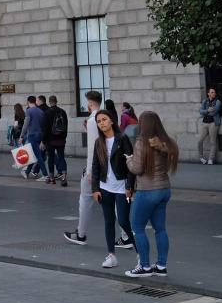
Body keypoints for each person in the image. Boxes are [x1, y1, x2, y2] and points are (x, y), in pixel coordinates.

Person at [66, 108, 136, 269]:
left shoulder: (123, 139)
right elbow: (96, 167)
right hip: (105, 188)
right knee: (108, 221)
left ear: (111, 120)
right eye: (98, 121)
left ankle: (140, 256)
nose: (102, 123)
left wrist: (129, 186)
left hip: (121, 188)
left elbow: (130, 165)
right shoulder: (99, 142)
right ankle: (111, 255)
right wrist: (96, 188)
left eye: (104, 119)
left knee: (124, 221)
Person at [125, 111, 179, 277]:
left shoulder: (142, 142)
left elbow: (137, 168)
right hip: (164, 189)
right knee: (160, 229)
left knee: (137, 228)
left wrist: (129, 160)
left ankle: (145, 266)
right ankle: (161, 266)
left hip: (147, 190)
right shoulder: (166, 141)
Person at [46, 95, 69, 186]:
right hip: (61, 140)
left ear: (49, 102)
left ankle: (52, 179)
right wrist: (64, 137)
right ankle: (63, 177)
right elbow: (66, 126)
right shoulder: (63, 112)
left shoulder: (47, 112)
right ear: (56, 101)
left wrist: (44, 141)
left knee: (50, 159)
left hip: (50, 140)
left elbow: (45, 128)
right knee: (61, 158)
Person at [22, 96, 46, 179]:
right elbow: (43, 126)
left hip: (32, 135)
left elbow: (26, 124)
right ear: (35, 101)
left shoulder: (29, 111)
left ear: (28, 101)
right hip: (40, 135)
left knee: (38, 156)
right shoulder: (40, 111)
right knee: (34, 154)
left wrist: (21, 136)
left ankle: (45, 175)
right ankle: (27, 172)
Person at [198, 87, 222, 165]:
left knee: (213, 141)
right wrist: (207, 110)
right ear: (208, 94)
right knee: (200, 141)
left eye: (214, 92)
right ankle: (201, 157)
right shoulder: (205, 101)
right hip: (205, 123)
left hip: (213, 123)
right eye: (212, 92)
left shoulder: (218, 101)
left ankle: (211, 159)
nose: (213, 93)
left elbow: (215, 111)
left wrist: (206, 112)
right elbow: (200, 111)